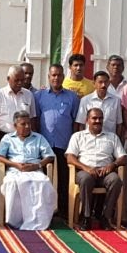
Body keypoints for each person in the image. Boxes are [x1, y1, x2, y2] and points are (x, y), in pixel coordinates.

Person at [66, 107, 127, 229]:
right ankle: (86, 217)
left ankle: (106, 217)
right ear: (87, 120)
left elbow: (123, 157)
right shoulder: (78, 136)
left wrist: (113, 165)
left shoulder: (112, 137)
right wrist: (86, 168)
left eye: (100, 118)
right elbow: (70, 157)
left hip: (106, 172)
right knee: (86, 179)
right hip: (85, 171)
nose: (97, 121)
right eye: (94, 118)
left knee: (116, 180)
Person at [0, 111, 57, 230]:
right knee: (12, 184)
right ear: (15, 126)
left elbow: (50, 156)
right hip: (15, 170)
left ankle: (39, 220)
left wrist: (37, 165)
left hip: (34, 170)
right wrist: (14, 164)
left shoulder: (39, 138)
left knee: (43, 183)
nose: (27, 126)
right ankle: (15, 220)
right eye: (23, 124)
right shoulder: (8, 138)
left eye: (29, 123)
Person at [34, 64, 80, 217]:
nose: (56, 78)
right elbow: (36, 118)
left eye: (59, 75)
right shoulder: (39, 96)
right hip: (44, 145)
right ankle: (44, 210)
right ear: (49, 77)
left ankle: (64, 210)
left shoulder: (72, 97)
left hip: (65, 144)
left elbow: (75, 121)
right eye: (53, 75)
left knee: (64, 179)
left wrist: (74, 144)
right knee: (44, 179)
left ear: (63, 77)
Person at [0, 66, 36, 151]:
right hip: (4, 137)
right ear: (8, 79)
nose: (20, 83)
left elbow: (32, 118)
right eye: (16, 80)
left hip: (24, 140)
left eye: (22, 80)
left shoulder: (29, 95)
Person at [77, 71, 124, 137]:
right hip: (90, 140)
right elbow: (81, 123)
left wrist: (117, 140)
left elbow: (119, 124)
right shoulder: (85, 100)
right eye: (100, 82)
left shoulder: (116, 101)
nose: (103, 85)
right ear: (94, 84)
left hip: (109, 140)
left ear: (109, 83)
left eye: (105, 82)